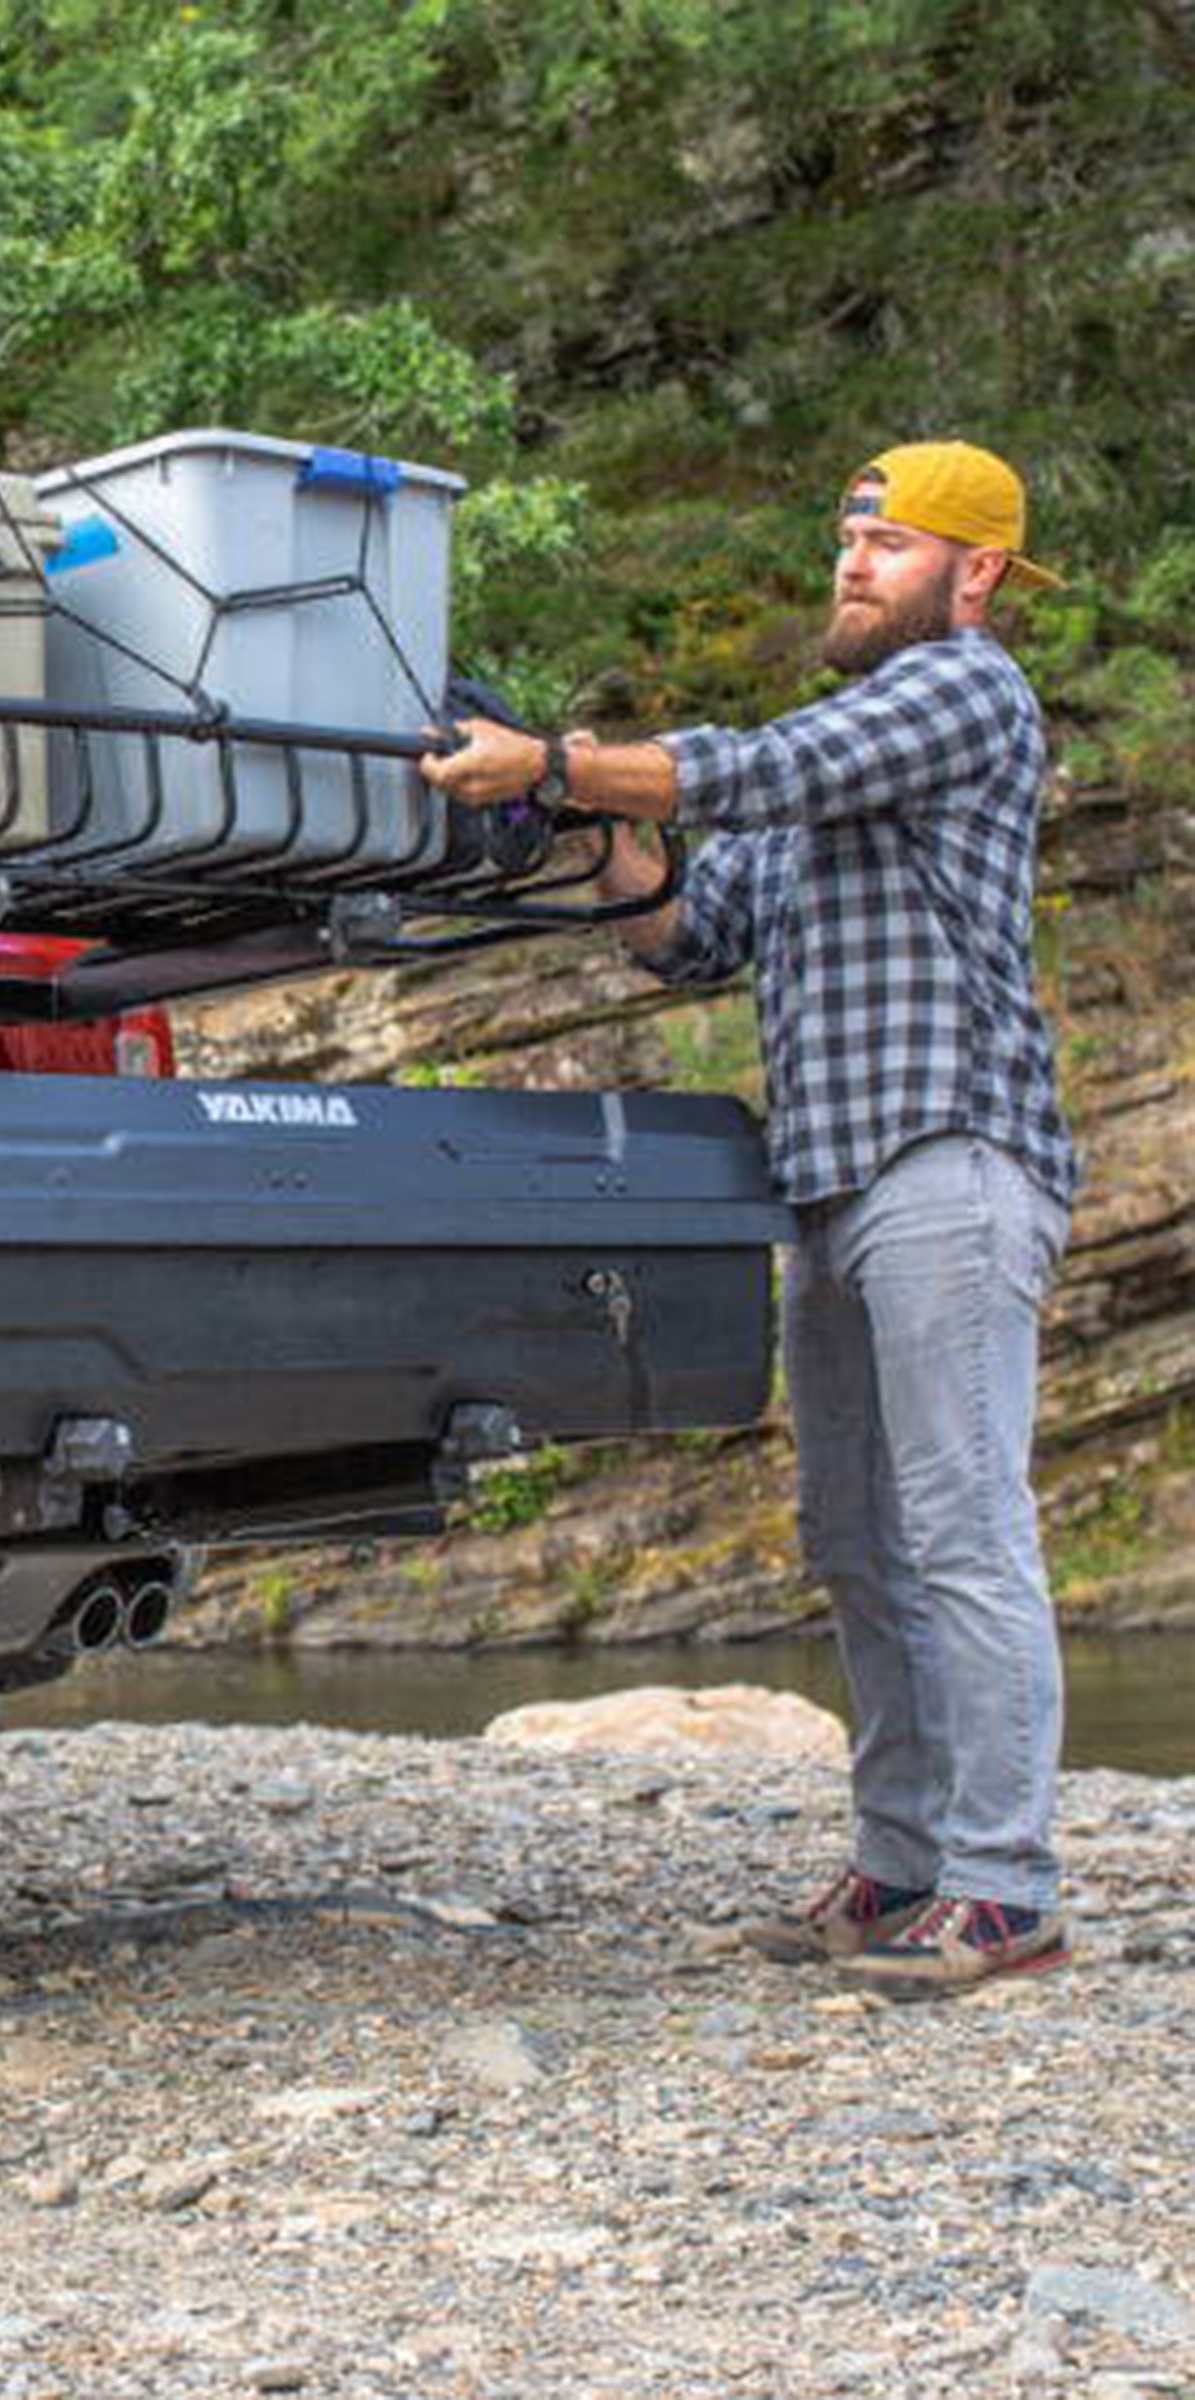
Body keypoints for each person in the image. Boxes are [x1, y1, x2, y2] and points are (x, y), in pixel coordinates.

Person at [422, 440, 1077, 2001]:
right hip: (833, 1187)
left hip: (951, 1163)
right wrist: (606, 845)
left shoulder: (969, 695)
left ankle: (1008, 1891)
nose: (855, 564)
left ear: (972, 576)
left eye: (893, 545)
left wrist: (557, 762)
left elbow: (755, 770)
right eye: (849, 540)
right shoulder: (841, 748)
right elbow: (687, 939)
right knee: (862, 1542)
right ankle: (902, 1869)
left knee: (965, 1533)